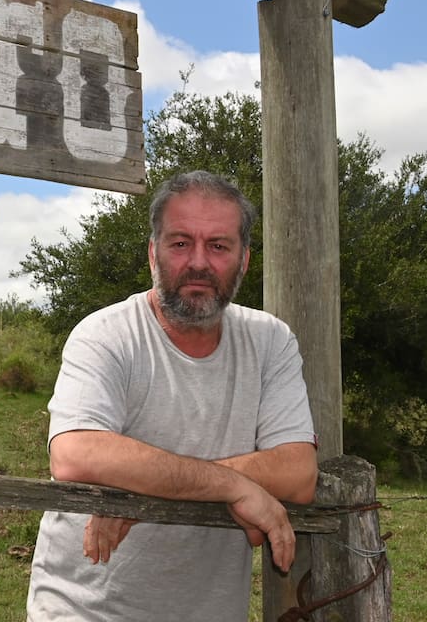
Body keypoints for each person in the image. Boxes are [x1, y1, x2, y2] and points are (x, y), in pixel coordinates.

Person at [26, 170, 318, 621]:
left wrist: (139, 490)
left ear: (243, 261)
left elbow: (298, 470)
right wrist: (232, 485)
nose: (198, 262)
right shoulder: (105, 335)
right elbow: (75, 453)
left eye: (218, 246)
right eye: (180, 243)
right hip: (85, 610)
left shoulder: (270, 342)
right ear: (153, 255)